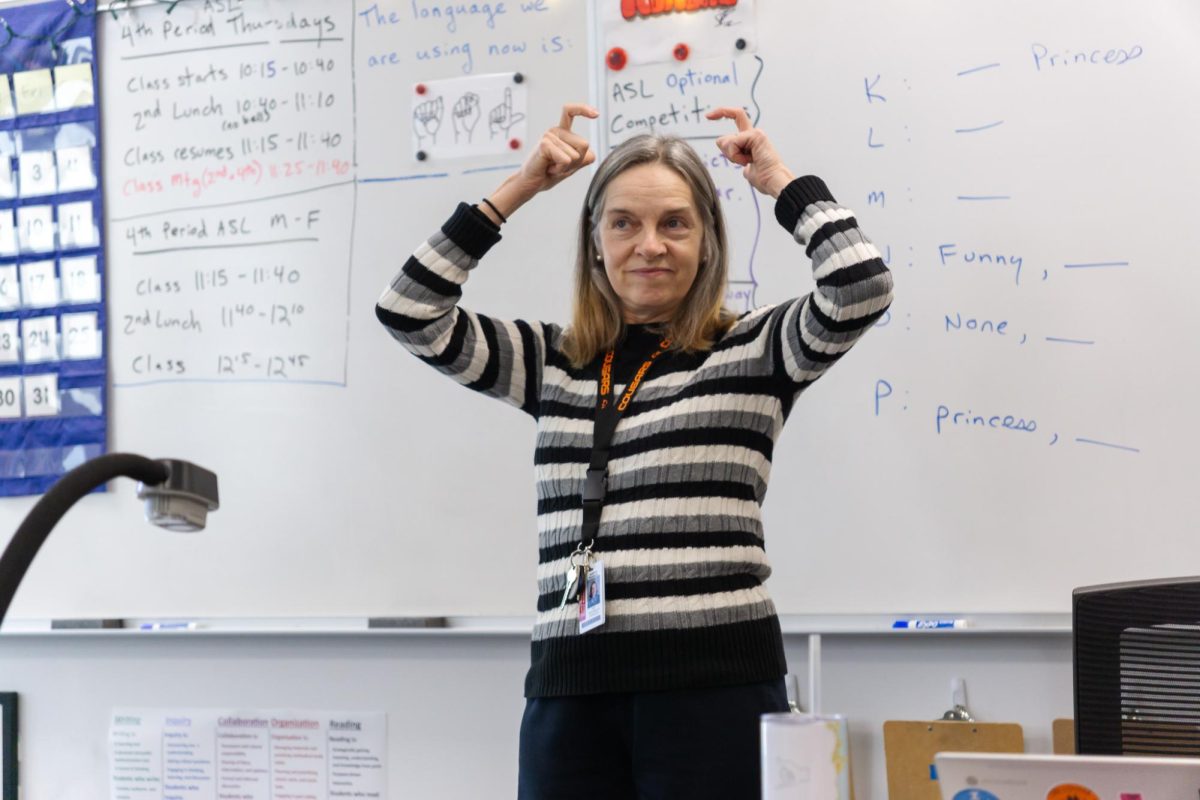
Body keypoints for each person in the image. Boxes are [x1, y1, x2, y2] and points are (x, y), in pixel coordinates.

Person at [376, 102, 893, 799]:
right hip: (571, 695)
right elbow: (409, 308)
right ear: (595, 243)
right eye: (624, 223)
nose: (649, 245)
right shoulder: (552, 361)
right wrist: (521, 186)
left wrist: (779, 181)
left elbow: (860, 284)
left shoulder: (754, 349)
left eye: (674, 223)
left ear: (707, 241)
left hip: (715, 692)